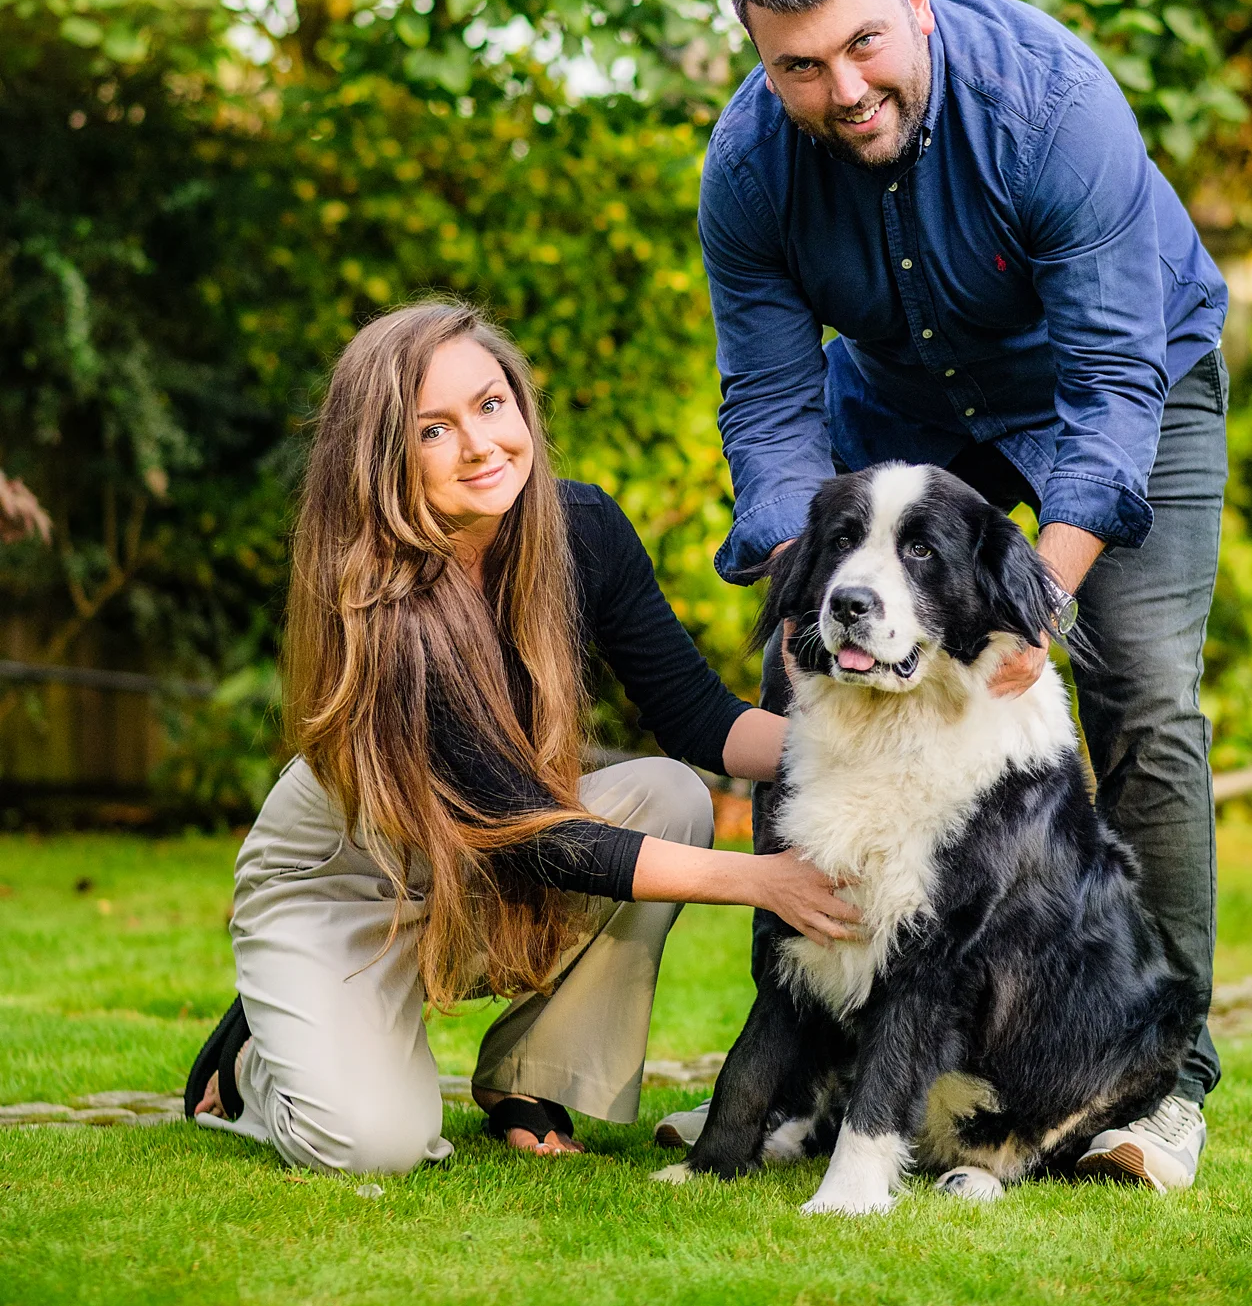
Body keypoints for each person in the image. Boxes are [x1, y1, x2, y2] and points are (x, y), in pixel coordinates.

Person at [674, 0, 1229, 1193]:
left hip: (1121, 384)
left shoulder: (1050, 108)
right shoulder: (747, 169)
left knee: (1137, 692)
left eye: (862, 43)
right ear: (761, 59)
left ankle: (1162, 1081)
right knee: (792, 676)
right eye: (796, 65)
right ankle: (810, 1066)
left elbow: (1106, 392)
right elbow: (765, 403)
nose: (840, 87)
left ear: (911, 0)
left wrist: (1031, 614)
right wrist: (798, 588)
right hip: (907, 409)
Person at [187, 300, 859, 1174]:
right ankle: (253, 1062)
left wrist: (874, 751)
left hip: (488, 848)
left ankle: (528, 1078)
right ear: (383, 455)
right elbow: (534, 837)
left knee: (667, 792)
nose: (479, 446)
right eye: (433, 429)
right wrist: (765, 880)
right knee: (371, 1146)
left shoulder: (581, 529)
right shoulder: (381, 605)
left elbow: (701, 719)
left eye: (490, 405)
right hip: (349, 876)